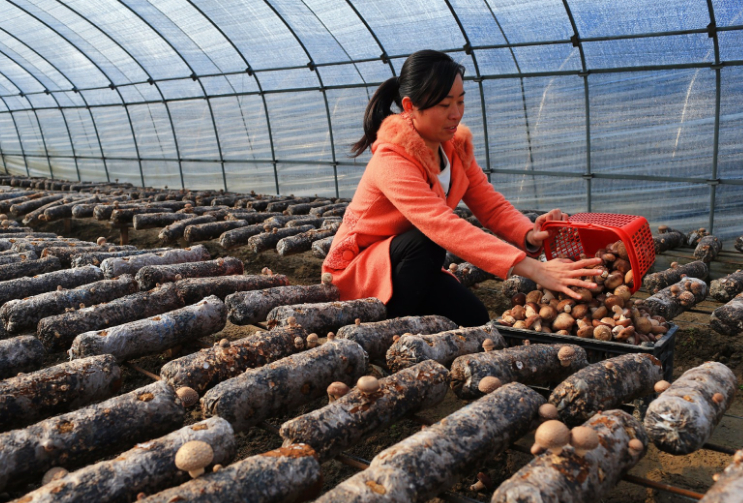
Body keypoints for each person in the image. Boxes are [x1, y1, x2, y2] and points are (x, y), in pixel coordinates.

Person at [322, 50, 601, 327]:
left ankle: (408, 315)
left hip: (410, 265)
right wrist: (536, 270)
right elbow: (441, 225)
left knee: (473, 318)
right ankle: (385, 327)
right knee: (429, 241)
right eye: (444, 105)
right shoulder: (391, 159)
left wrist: (528, 233)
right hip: (362, 269)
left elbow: (489, 204)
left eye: (460, 101)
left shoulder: (455, 148)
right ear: (409, 106)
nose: (455, 114)